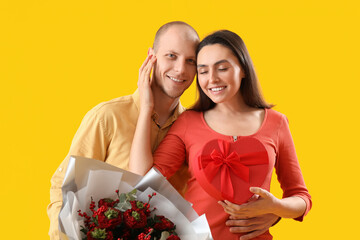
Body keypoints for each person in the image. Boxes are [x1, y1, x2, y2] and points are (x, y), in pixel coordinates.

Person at [47, 22, 279, 240]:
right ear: (152, 57)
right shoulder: (108, 117)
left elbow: (223, 189)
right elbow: (64, 188)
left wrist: (273, 212)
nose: (180, 69)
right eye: (171, 56)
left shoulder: (196, 127)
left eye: (190, 61)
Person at [130, 30, 312, 240]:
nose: (212, 79)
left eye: (222, 68)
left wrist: (276, 208)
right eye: (203, 71)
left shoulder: (276, 122)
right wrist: (146, 107)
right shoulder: (188, 122)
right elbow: (142, 180)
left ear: (243, 69)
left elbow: (301, 198)